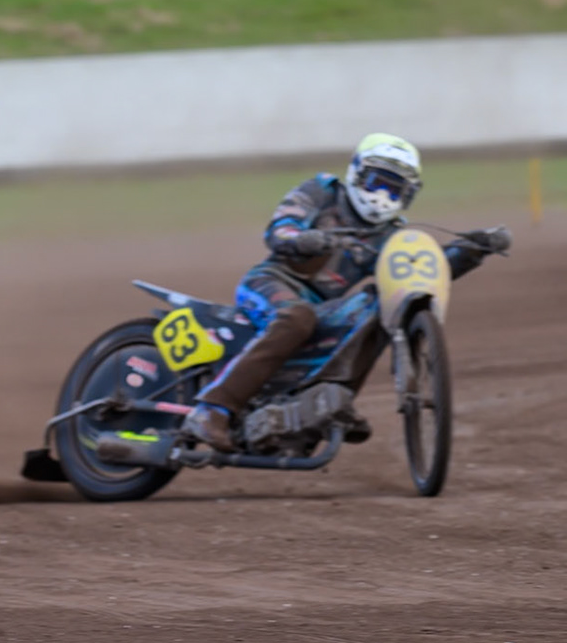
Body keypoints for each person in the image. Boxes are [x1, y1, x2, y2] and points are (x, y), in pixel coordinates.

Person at [184, 134, 510, 452]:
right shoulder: (321, 191)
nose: (383, 196)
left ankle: (332, 403)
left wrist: (473, 250)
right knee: (297, 316)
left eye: (394, 189)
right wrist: (303, 239)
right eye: (377, 182)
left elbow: (418, 275)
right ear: (356, 173)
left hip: (322, 307)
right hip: (272, 281)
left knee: (379, 304)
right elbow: (278, 230)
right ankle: (213, 409)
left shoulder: (389, 235)